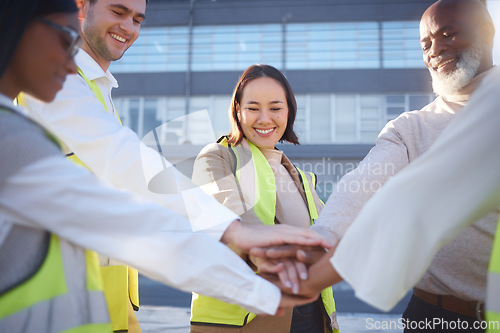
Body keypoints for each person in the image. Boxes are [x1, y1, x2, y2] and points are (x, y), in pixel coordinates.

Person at [0, 0, 331, 330]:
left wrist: (257, 285)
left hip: (103, 311)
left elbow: (130, 224)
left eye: (138, 19)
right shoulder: (25, 132)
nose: (129, 27)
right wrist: (237, 237)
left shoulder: (299, 175)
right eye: (117, 12)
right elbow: (125, 167)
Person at [255, 0, 497, 332]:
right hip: (435, 317)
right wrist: (320, 241)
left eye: (449, 34)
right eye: (426, 44)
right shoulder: (410, 128)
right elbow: (363, 185)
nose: (435, 50)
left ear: (487, 31)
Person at [189, 65, 338, 333]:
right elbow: (229, 219)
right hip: (245, 320)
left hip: (312, 315)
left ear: (289, 111)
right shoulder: (218, 157)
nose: (265, 118)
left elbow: (329, 234)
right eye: (254, 107)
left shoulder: (301, 178)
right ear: (238, 110)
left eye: (276, 108)